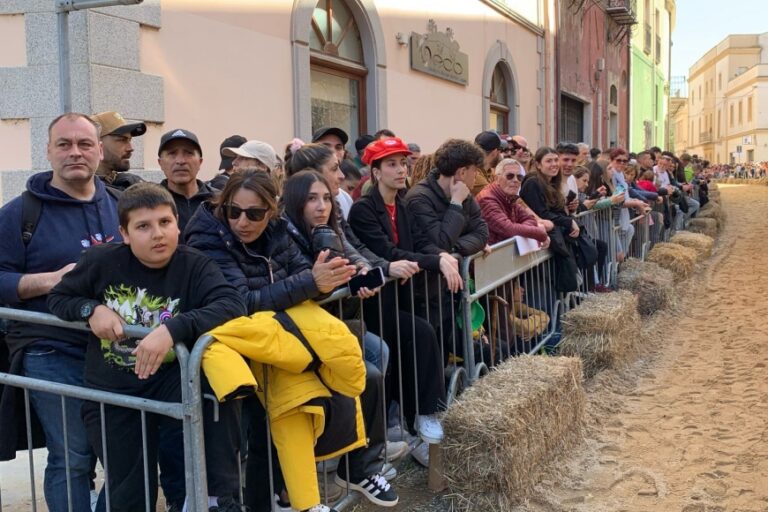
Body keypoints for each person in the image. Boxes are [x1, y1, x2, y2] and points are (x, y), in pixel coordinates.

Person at [47, 183, 246, 512]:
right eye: (144, 226)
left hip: (174, 390)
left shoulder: (195, 264)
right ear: (124, 233)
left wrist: (173, 329)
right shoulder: (101, 260)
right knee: (129, 493)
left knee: (187, 481)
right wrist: (90, 310)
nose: (158, 234)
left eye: (165, 222)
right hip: (115, 394)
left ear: (178, 225)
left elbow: (231, 303)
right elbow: (59, 298)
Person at [183, 170, 358, 512]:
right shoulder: (207, 238)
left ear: (272, 211)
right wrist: (309, 283)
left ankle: (292, 495)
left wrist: (312, 281)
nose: (242, 222)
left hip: (272, 346)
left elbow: (303, 272)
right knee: (241, 440)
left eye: (254, 214)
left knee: (282, 423)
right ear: (223, 206)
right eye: (234, 211)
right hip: (228, 353)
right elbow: (239, 302)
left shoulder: (278, 233)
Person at [0, 113, 120, 512]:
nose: (75, 152)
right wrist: (49, 280)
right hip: (49, 349)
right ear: (48, 151)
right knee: (73, 457)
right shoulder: (18, 214)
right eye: (64, 144)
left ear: (99, 151)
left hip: (118, 351)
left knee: (126, 457)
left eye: (85, 144)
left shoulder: (121, 207)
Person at [280, 170, 403, 507]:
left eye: (326, 199)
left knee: (377, 360)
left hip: (332, 325)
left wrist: (361, 272)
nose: (321, 206)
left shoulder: (328, 228)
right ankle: (347, 460)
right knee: (369, 373)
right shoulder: (284, 234)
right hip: (299, 333)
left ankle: (357, 459)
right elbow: (306, 282)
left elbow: (352, 253)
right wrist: (340, 282)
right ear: (294, 201)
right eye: (311, 199)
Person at [349, 137, 457, 450]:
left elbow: (422, 242)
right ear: (375, 171)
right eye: (391, 164)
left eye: (403, 163)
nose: (401, 170)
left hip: (403, 296)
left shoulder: (404, 204)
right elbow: (389, 252)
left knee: (431, 332)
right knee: (419, 335)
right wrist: (436, 260)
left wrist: (442, 255)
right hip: (375, 303)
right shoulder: (363, 210)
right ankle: (423, 416)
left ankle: (419, 418)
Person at [476, 158, 549, 246]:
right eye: (510, 176)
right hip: (490, 257)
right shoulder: (487, 199)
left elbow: (530, 219)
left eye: (519, 177)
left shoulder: (510, 197)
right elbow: (509, 229)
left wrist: (522, 229)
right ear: (497, 179)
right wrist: (539, 233)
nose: (515, 180)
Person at [157, 128, 217, 232]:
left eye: (188, 153)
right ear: (160, 163)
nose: (180, 161)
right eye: (172, 153)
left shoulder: (218, 201)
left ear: (200, 162)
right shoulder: (150, 202)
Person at [90, 111, 146, 191]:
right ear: (97, 143)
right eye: (122, 140)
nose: (130, 148)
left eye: (130, 140)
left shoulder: (131, 184)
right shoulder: (79, 190)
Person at [312, 127, 355, 218]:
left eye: (338, 147)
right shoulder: (301, 196)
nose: (333, 151)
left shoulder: (346, 199)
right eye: (325, 146)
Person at [471, 131, 503, 196]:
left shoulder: (489, 171)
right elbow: (500, 198)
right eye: (500, 151)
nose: (501, 154)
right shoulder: (475, 176)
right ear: (494, 152)